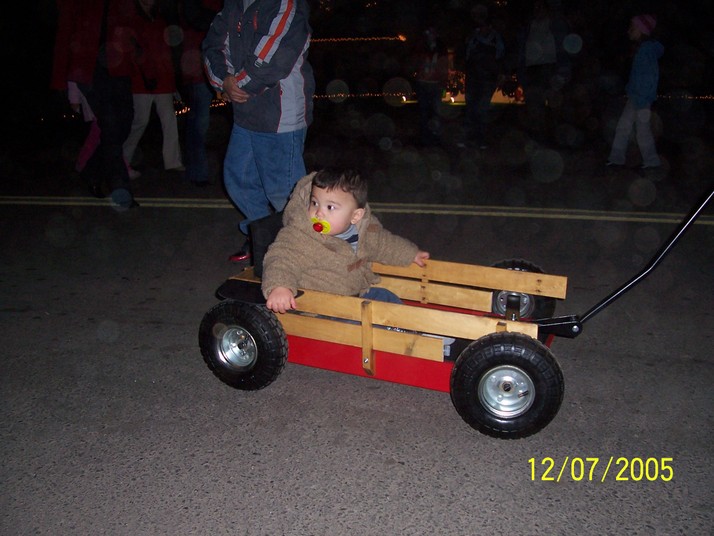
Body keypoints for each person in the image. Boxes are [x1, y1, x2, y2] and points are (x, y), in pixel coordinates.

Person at [203, 0, 315, 263]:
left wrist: (236, 85)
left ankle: (309, 254)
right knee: (239, 179)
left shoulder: (285, 4)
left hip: (279, 114)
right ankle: (264, 237)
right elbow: (213, 46)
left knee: (284, 193)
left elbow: (273, 58)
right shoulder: (234, 5)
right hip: (245, 112)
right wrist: (224, 81)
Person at [262, 169, 430, 314]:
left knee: (386, 297)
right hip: (322, 307)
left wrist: (411, 253)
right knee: (357, 324)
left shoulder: (365, 230)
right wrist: (280, 286)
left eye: (330, 207)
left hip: (357, 294)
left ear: (355, 216)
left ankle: (409, 330)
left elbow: (385, 244)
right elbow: (282, 259)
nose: (318, 213)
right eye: (314, 203)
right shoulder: (300, 235)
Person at [51, 0, 139, 209]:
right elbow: (64, 35)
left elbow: (131, 28)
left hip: (119, 69)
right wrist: (60, 81)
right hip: (89, 71)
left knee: (124, 126)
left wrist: (137, 53)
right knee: (111, 129)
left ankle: (91, 172)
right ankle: (121, 191)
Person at [123, 0, 184, 177]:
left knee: (169, 120)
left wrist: (172, 83)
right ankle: (122, 161)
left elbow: (166, 52)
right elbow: (132, 52)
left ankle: (173, 161)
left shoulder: (160, 20)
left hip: (163, 80)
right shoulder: (132, 20)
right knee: (140, 122)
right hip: (141, 81)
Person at [606, 14, 664, 169]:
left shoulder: (646, 51)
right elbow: (638, 76)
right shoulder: (642, 50)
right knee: (625, 128)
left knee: (639, 130)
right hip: (636, 97)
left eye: (632, 27)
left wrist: (643, 98)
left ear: (641, 30)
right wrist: (632, 92)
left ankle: (651, 162)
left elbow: (650, 77)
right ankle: (618, 159)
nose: (628, 31)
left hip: (641, 99)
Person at [178, 0, 222, 187]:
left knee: (201, 123)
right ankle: (198, 172)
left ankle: (199, 171)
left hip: (219, 69)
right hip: (198, 70)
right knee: (199, 123)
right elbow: (196, 20)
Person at [516, 0, 571, 142]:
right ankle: (537, 139)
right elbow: (521, 50)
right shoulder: (528, 26)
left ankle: (556, 138)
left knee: (555, 105)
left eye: (541, 6)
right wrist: (521, 72)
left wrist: (563, 71)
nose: (538, 10)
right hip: (532, 69)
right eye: (536, 7)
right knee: (534, 106)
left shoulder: (556, 25)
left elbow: (564, 48)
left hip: (551, 68)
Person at [462, 4, 505, 149]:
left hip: (488, 79)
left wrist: (500, 74)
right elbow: (467, 56)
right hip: (473, 77)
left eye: (484, 25)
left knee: (482, 109)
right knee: (470, 109)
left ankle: (481, 140)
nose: (481, 28)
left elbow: (501, 58)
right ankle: (469, 138)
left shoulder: (496, 40)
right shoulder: (472, 38)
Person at [412, 26, 449, 146]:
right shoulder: (421, 46)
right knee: (423, 112)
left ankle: (435, 138)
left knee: (436, 113)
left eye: (432, 32)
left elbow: (444, 66)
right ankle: (424, 138)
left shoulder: (441, 48)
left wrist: (443, 83)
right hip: (423, 84)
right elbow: (416, 63)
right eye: (428, 32)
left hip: (436, 85)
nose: (430, 35)